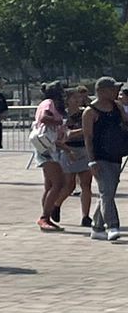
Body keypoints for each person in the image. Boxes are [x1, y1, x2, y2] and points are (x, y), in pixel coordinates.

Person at [83, 76, 127, 241]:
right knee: (106, 192)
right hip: (99, 157)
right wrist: (91, 160)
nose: (116, 91)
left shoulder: (117, 107)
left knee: (107, 193)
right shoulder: (90, 112)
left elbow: (126, 123)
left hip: (115, 155)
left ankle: (97, 227)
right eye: (112, 88)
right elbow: (88, 137)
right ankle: (113, 226)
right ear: (101, 91)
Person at [31, 81, 69, 232]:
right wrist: (59, 121)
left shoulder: (55, 105)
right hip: (46, 148)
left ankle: (46, 216)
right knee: (58, 183)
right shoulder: (48, 103)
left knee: (49, 185)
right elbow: (45, 118)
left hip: (51, 147)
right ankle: (44, 217)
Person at [58, 87, 95, 230]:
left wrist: (80, 131)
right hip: (68, 150)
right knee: (69, 186)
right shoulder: (62, 115)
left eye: (79, 97)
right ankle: (56, 205)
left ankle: (85, 216)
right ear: (67, 100)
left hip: (83, 149)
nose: (78, 100)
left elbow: (92, 126)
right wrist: (83, 130)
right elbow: (64, 135)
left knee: (86, 184)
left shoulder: (84, 113)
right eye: (74, 98)